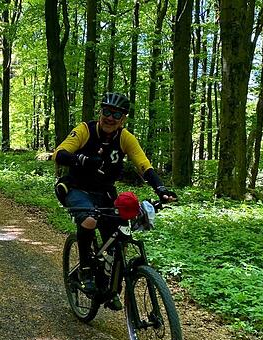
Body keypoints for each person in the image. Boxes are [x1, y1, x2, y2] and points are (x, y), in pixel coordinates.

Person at [53, 92, 176, 310]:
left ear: (123, 118)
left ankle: (110, 287)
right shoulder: (84, 130)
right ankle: (86, 271)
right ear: (100, 112)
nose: (110, 118)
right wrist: (83, 159)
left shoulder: (125, 137)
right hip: (77, 188)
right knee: (90, 219)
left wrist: (161, 188)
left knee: (120, 234)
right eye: (106, 112)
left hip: (105, 192)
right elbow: (60, 154)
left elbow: (143, 164)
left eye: (116, 114)